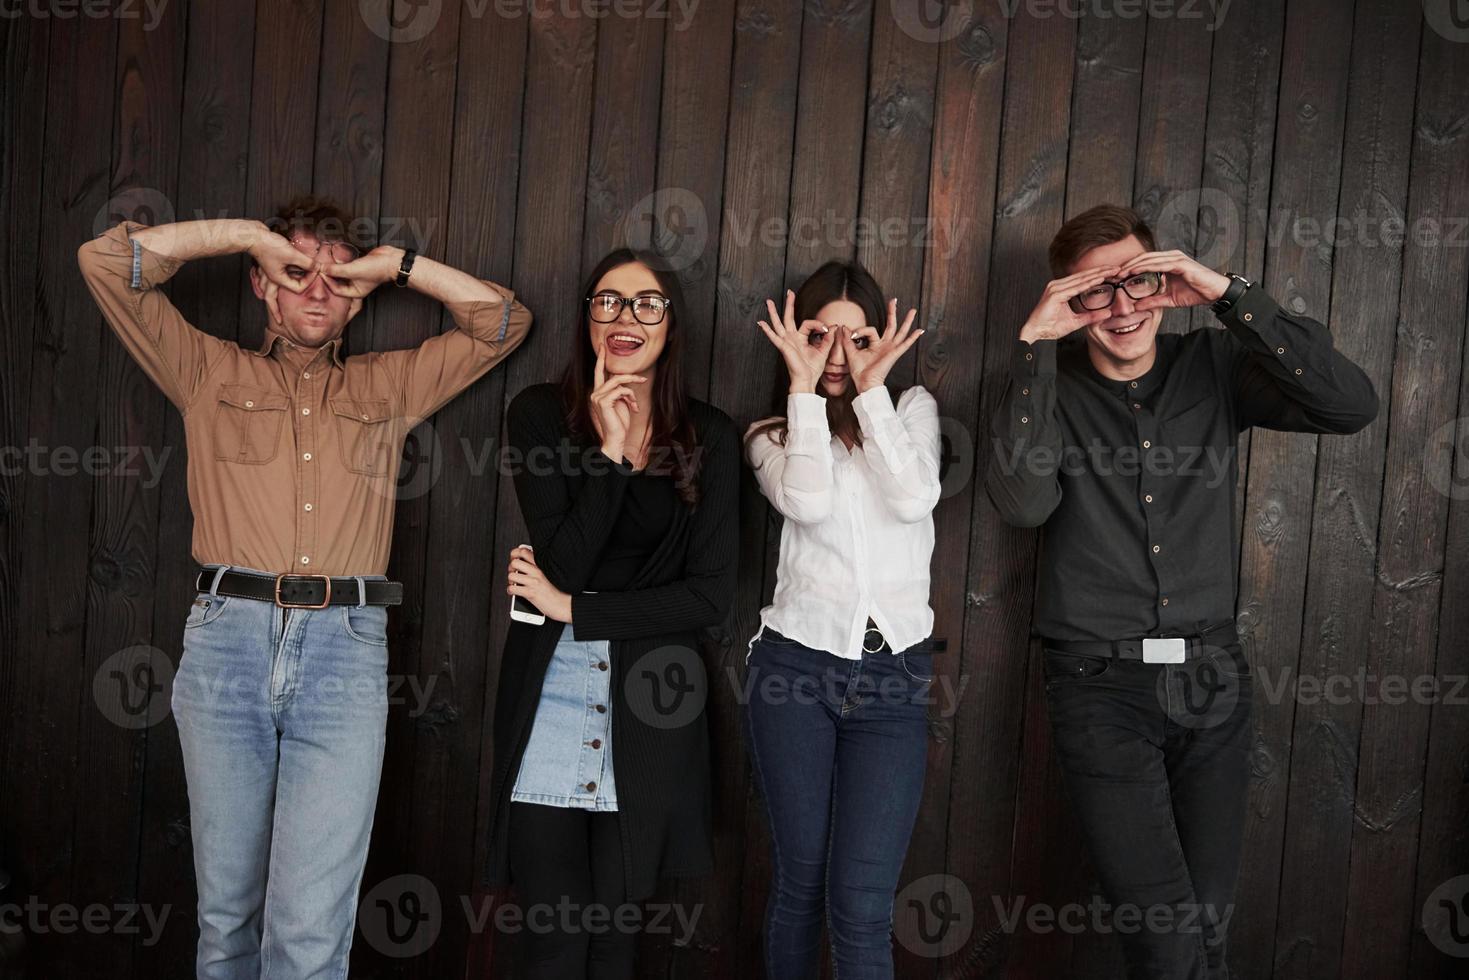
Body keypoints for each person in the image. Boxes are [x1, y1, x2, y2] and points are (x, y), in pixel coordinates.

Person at [77, 196, 533, 979]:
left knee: (310, 931)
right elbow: (107, 264)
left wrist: (393, 268)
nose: (316, 291)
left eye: (336, 281)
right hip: (227, 643)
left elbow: (501, 322)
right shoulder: (205, 369)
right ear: (260, 284)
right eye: (295, 273)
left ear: (358, 297)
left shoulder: (388, 387)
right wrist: (251, 238)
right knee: (227, 922)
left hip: (342, 656)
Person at [985, 203, 1378, 978]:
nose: (1123, 308)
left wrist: (1223, 292)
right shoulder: (1045, 386)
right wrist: (1032, 345)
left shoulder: (1214, 365)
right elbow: (1023, 503)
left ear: (1164, 281)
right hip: (1098, 686)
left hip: (1210, 679)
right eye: (1096, 292)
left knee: (1203, 930)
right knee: (1166, 942)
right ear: (1068, 300)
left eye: (1137, 282)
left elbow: (1350, 405)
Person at [482, 249, 740, 979]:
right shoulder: (538, 415)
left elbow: (707, 598)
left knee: (615, 941)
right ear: (587, 317)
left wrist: (575, 609)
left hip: (651, 699)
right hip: (553, 692)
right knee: (555, 942)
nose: (625, 318)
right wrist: (614, 459)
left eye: (646, 303)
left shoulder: (709, 436)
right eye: (608, 301)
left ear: (671, 324)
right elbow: (560, 562)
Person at [742, 261, 942, 979]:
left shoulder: (911, 407)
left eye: (856, 339)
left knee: (860, 905)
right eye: (820, 336)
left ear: (880, 343)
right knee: (801, 883)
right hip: (793, 671)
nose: (836, 353)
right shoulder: (770, 432)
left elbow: (915, 496)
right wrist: (801, 392)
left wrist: (871, 392)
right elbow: (808, 502)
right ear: (795, 340)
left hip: (892, 680)